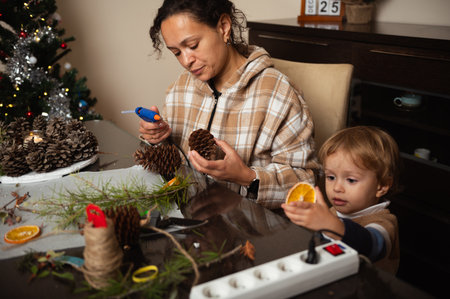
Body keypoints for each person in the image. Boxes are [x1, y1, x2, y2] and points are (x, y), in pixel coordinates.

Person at [139, 0, 320, 209]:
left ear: (224, 27)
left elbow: (306, 181)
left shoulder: (278, 93)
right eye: (177, 52)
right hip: (189, 219)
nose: (186, 60)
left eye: (193, 45)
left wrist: (247, 177)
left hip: (249, 230)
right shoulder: (180, 88)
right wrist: (157, 138)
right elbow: (174, 163)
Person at [282, 126, 400, 274]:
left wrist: (329, 224)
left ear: (381, 186)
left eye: (351, 180)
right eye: (331, 177)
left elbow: (370, 245)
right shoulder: (332, 212)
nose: (337, 187)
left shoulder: (384, 222)